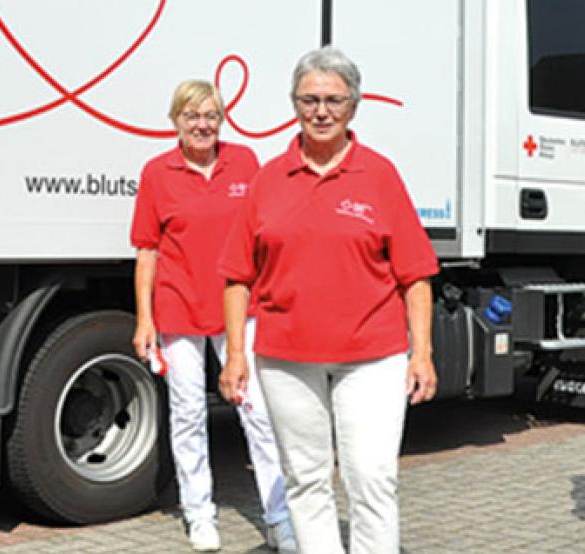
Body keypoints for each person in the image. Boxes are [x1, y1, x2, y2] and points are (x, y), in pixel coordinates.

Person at [217, 46, 439, 554]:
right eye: (309, 99)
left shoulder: (380, 175)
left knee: (371, 479)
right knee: (305, 479)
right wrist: (234, 355)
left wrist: (421, 352)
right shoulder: (268, 179)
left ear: (354, 107)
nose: (321, 111)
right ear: (294, 104)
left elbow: (416, 275)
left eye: (334, 100)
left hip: (373, 357)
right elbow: (236, 276)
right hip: (285, 359)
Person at [130, 80, 295, 552]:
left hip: (240, 308)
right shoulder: (157, 173)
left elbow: (267, 235)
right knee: (188, 416)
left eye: (210, 115)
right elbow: (147, 251)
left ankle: (278, 517)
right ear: (175, 121)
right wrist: (145, 319)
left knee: (258, 414)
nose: (201, 125)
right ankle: (199, 514)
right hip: (179, 308)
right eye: (191, 116)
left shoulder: (244, 162)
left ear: (221, 120)